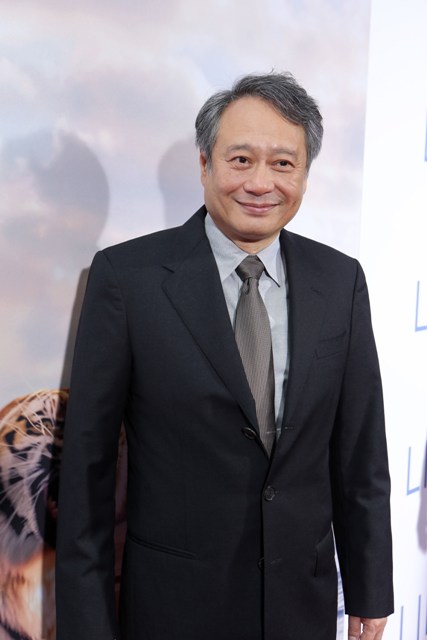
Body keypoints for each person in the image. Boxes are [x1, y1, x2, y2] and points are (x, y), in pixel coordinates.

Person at [55, 72, 393, 640]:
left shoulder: (340, 281)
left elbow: (360, 451)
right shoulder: (128, 279)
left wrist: (370, 587)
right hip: (174, 609)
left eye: (283, 163)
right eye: (241, 159)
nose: (260, 182)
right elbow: (87, 473)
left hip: (301, 607)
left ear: (305, 174)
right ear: (205, 164)